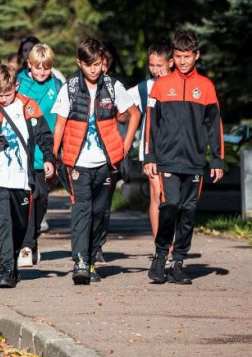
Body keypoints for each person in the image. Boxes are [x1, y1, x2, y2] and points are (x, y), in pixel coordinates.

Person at [52, 38, 140, 284]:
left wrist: (125, 145)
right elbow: (59, 125)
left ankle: (90, 260)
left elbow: (134, 114)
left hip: (105, 162)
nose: (94, 69)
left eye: (98, 64)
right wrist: (53, 157)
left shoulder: (113, 86)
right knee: (82, 210)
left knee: (99, 213)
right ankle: (80, 262)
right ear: (80, 63)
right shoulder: (69, 88)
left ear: (104, 63)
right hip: (77, 162)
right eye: (89, 64)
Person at [143, 30, 224, 285]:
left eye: (187, 57)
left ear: (196, 56)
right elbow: (151, 125)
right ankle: (159, 256)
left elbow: (214, 125)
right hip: (167, 160)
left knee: (188, 211)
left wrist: (218, 159)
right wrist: (149, 156)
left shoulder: (207, 87)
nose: (182, 61)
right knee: (170, 206)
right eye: (178, 56)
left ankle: (178, 261)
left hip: (195, 162)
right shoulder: (161, 85)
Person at [0, 66, 57, 288]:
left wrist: (48, 158)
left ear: (16, 87)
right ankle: (6, 270)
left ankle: (13, 261)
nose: (4, 99)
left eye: (8, 94)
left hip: (22, 178)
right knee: (3, 223)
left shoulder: (29, 106)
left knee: (19, 224)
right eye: (0, 95)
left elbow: (45, 135)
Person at [15, 43, 64, 266]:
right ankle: (25, 245)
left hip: (47, 151)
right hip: (24, 151)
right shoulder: (19, 85)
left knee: (41, 199)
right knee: (25, 199)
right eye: (38, 68)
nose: (42, 72)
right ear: (29, 65)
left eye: (47, 68)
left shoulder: (58, 86)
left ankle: (31, 241)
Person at [127, 39, 173, 240]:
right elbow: (122, 106)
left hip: (175, 147)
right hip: (150, 147)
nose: (155, 70)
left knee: (171, 196)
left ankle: (172, 238)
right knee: (157, 193)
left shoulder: (180, 85)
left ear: (171, 62)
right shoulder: (145, 88)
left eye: (159, 66)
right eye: (151, 65)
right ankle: (160, 245)